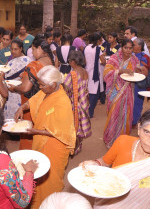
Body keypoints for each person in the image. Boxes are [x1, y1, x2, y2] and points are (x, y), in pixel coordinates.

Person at [80, 109, 150, 209]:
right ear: (139, 128)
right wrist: (94, 163)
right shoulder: (123, 142)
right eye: (147, 132)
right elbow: (104, 161)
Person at [15, 65, 76, 209]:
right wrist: (21, 108)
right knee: (39, 174)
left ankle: (50, 204)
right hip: (40, 139)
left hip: (55, 145)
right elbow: (33, 101)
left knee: (51, 179)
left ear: (53, 85)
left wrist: (35, 131)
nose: (39, 87)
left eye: (42, 84)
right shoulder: (45, 91)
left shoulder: (62, 102)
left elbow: (61, 132)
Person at [8, 36, 54, 149]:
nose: (32, 53)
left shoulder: (34, 65)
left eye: (33, 49)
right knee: (41, 129)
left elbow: (25, 88)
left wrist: (14, 87)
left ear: (39, 48)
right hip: (46, 100)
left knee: (28, 132)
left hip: (32, 104)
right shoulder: (51, 61)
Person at [103, 38, 142, 148]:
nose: (128, 50)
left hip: (128, 91)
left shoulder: (134, 60)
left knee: (126, 115)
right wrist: (120, 71)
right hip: (115, 91)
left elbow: (136, 73)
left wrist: (139, 71)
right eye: (126, 48)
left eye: (130, 48)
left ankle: (122, 141)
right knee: (113, 115)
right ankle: (110, 139)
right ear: (121, 47)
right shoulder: (114, 58)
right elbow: (106, 73)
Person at [63, 51, 91, 154]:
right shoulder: (84, 71)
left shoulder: (73, 74)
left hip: (76, 104)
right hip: (84, 102)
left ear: (73, 62)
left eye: (69, 61)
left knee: (74, 126)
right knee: (79, 126)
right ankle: (78, 146)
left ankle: (73, 148)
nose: (69, 63)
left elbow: (66, 88)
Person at [4, 39, 32, 119]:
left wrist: (23, 76)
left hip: (20, 93)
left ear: (21, 49)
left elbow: (30, 78)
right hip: (10, 92)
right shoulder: (10, 61)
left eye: (15, 49)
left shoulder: (27, 61)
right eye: (11, 49)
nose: (13, 51)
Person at [84, 32, 106, 118]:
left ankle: (85, 110)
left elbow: (85, 61)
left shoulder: (86, 48)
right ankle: (90, 112)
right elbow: (103, 61)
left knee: (88, 91)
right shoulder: (97, 49)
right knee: (94, 94)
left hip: (87, 71)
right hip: (95, 74)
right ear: (97, 40)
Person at [132, 38, 150, 126]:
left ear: (139, 46)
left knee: (137, 104)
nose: (132, 46)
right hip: (130, 83)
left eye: (134, 44)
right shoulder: (130, 55)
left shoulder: (144, 57)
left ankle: (134, 121)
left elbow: (145, 72)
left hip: (139, 84)